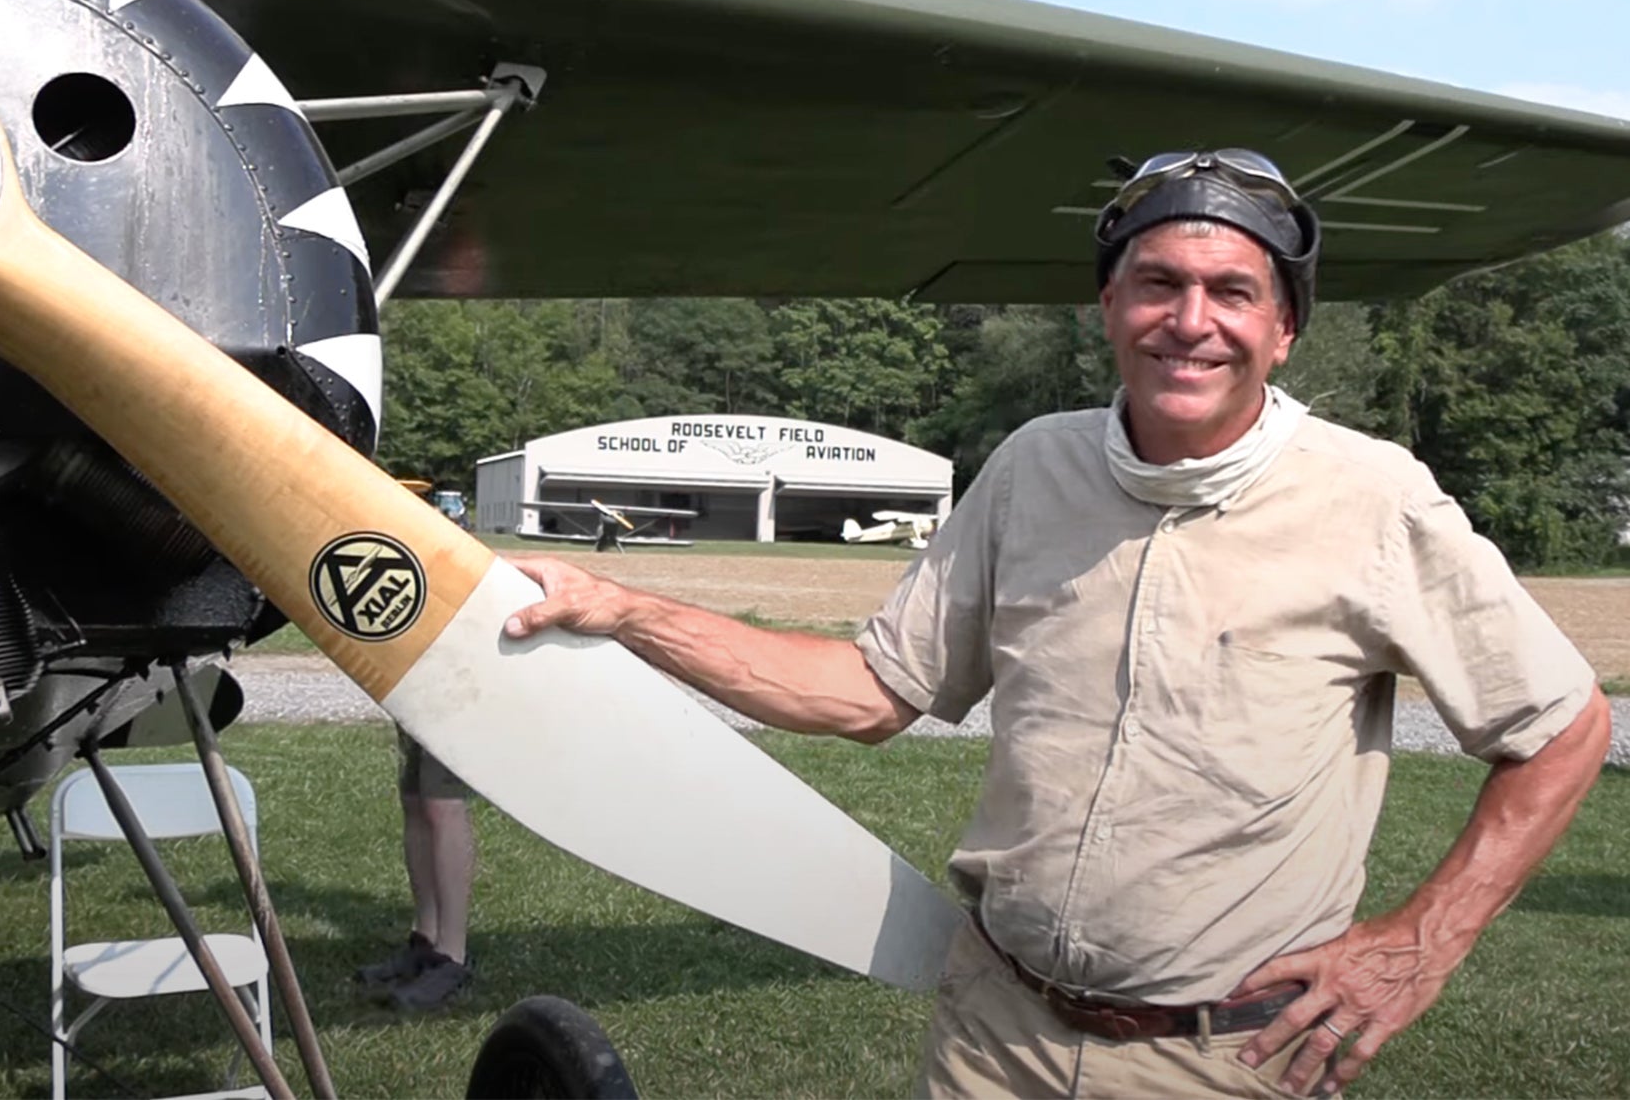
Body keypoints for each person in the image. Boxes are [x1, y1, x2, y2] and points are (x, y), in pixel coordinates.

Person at [504, 149, 1609, 1098]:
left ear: (1282, 331)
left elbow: (1559, 730)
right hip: (994, 1033)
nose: (1189, 321)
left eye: (1231, 292)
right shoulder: (1033, 464)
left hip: (1220, 1057)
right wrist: (620, 608)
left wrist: (1418, 946)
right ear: (1107, 309)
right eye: (1155, 284)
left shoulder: (1372, 496)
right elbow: (869, 694)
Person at [355, 726, 477, 1011]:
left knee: (443, 803)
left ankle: (451, 954)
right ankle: (426, 939)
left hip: (456, 692)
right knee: (415, 800)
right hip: (419, 687)